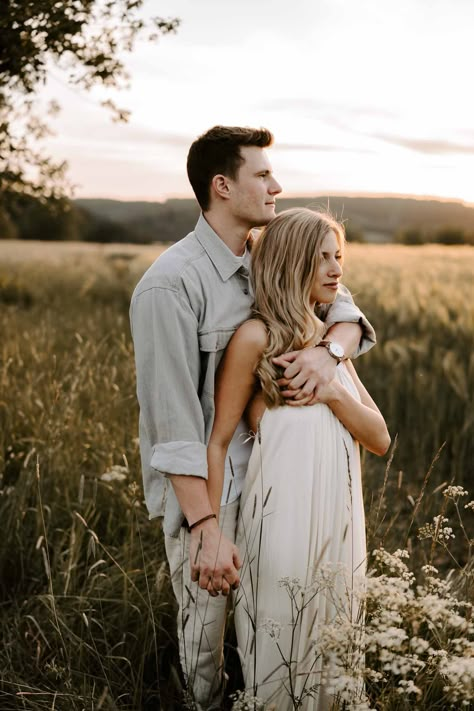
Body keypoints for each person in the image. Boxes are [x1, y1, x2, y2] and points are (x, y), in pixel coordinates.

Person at [129, 126, 376, 710]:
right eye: (262, 175)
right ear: (222, 186)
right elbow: (175, 427)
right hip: (210, 493)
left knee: (275, 634)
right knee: (206, 648)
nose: (277, 185)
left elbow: (344, 309)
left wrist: (328, 352)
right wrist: (204, 528)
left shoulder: (266, 256)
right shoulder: (170, 286)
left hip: (275, 485)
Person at [207, 208, 390, 709]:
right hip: (279, 529)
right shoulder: (256, 338)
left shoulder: (330, 346)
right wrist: (214, 529)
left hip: (339, 526)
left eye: (339, 257)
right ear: (291, 262)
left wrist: (333, 390)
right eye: (322, 258)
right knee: (279, 659)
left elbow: (380, 438)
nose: (336, 269)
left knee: (335, 656)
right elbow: (219, 440)